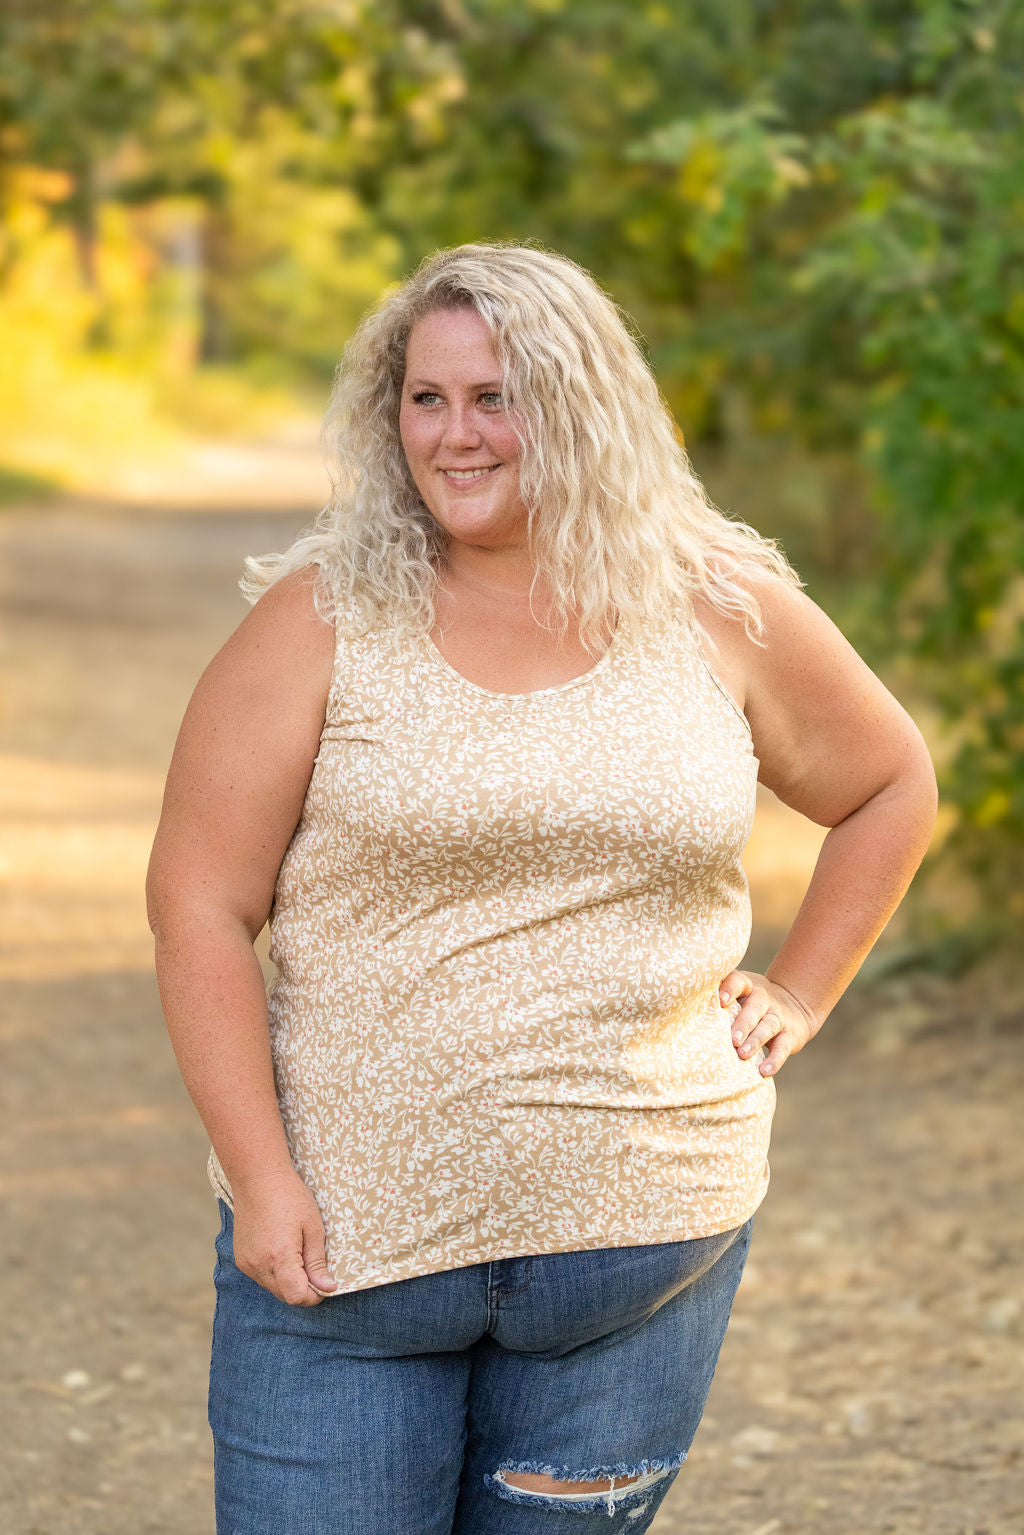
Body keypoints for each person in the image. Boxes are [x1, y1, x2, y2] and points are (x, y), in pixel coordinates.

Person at [145, 240, 938, 1534]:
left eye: (497, 395)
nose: (457, 435)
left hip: (637, 1248)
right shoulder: (319, 618)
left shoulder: (719, 605)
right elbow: (199, 906)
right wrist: (261, 1173)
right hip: (349, 1261)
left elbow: (889, 785)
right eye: (427, 398)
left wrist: (802, 989)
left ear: (580, 405)